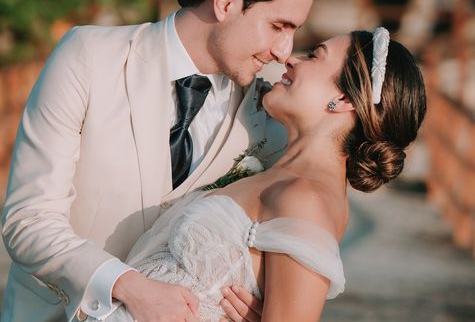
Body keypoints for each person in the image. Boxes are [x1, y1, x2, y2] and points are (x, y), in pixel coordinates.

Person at [1, 0, 327, 322]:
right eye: (279, 26)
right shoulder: (88, 57)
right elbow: (27, 220)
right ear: (227, 0)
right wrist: (131, 288)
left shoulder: (266, 122)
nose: (285, 51)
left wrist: (264, 310)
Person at [96, 28, 427, 322]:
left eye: (315, 56)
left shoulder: (306, 199)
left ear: (341, 99)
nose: (292, 59)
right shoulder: (279, 173)